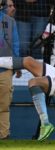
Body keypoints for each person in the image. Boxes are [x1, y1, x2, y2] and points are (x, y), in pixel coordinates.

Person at [0, 0, 20, 139]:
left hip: (5, 68)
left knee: (4, 104)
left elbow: (15, 43)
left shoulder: (10, 21)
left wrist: (17, 64)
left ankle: (4, 135)